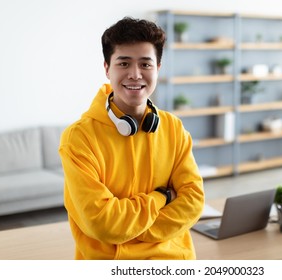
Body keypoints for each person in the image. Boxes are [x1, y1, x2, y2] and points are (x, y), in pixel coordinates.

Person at [59, 17, 205, 260]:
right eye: (124, 63)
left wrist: (130, 228)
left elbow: (193, 201)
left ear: (158, 68)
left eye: (145, 64)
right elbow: (103, 223)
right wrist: (162, 197)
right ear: (107, 68)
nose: (135, 75)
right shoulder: (79, 138)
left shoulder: (174, 128)